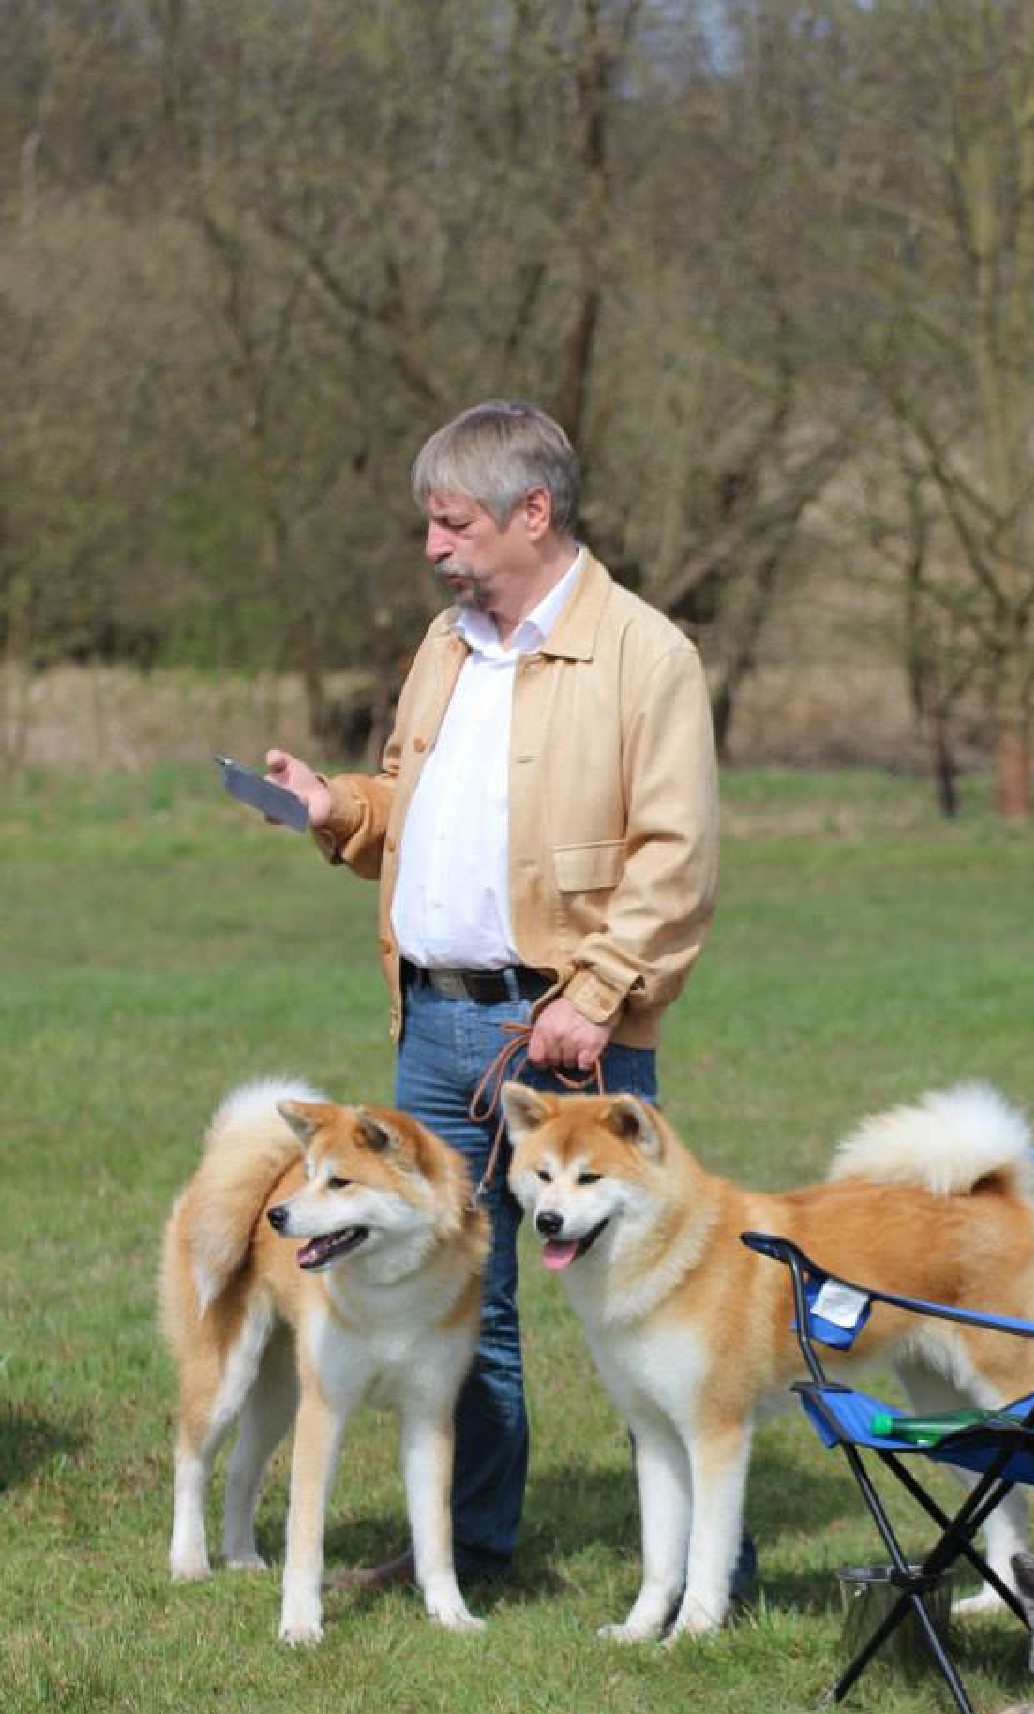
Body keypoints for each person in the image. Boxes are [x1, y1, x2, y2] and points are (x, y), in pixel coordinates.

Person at [264, 398, 732, 1593]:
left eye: (453, 524)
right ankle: (469, 1553)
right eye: (430, 523)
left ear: (533, 513)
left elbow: (676, 859)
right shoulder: (446, 644)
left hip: (565, 1033)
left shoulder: (646, 656)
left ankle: (694, 1571)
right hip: (432, 1025)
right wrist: (338, 808)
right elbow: (409, 805)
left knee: (643, 1298)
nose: (433, 547)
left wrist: (598, 994)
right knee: (461, 1295)